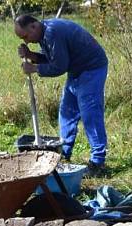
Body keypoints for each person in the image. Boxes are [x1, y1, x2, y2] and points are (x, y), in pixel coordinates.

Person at [14, 14, 109, 176]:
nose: (26, 41)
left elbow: (59, 66)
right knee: (67, 113)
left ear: (33, 26)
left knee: (90, 115)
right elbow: (53, 58)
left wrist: (35, 69)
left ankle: (98, 163)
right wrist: (32, 56)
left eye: (25, 36)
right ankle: (63, 153)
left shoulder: (53, 32)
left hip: (92, 68)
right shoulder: (43, 34)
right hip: (76, 70)